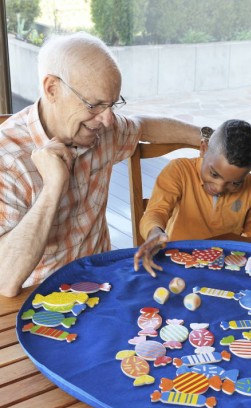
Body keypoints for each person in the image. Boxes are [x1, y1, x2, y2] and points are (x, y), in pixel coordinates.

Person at [0, 32, 201, 297]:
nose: (107, 120)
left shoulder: (99, 130)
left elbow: (144, 127)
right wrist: (52, 188)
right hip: (38, 300)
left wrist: (209, 138)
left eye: (112, 105)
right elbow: (5, 279)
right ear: (51, 89)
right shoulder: (8, 157)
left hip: (102, 284)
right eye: (94, 105)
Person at [133, 119, 251, 277]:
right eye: (214, 174)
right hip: (177, 264)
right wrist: (155, 232)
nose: (219, 188)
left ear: (250, 169)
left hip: (223, 269)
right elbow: (155, 212)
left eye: (235, 183)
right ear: (204, 149)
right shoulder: (179, 171)